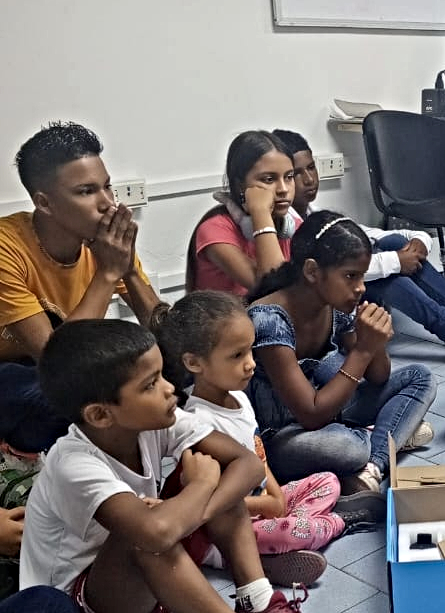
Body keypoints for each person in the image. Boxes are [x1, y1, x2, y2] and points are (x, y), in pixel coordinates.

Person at [19, 319, 364, 613]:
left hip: (156, 583)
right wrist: (197, 491)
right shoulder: (72, 462)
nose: (170, 388)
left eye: (162, 375)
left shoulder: (153, 420)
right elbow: (156, 533)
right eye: (149, 385)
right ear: (100, 414)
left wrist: (192, 505)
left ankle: (258, 602)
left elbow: (248, 465)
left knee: (212, 478)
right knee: (154, 530)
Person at [151, 290, 388, 586]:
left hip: (264, 503)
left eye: (250, 351)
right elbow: (208, 504)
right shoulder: (197, 424)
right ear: (194, 363)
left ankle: (292, 537)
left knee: (328, 480)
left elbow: (257, 456)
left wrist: (275, 498)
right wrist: (270, 505)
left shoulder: (239, 397)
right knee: (290, 531)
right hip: (228, 525)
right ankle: (337, 523)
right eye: (237, 355)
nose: (250, 363)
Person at [245, 210, 437, 491]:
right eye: (350, 276)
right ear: (312, 271)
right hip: (282, 437)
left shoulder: (334, 305)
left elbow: (378, 377)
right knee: (349, 448)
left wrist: (374, 343)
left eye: (361, 276)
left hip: (330, 411)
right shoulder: (269, 320)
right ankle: (385, 437)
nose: (360, 288)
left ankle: (372, 467)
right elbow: (311, 414)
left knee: (420, 377)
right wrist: (361, 352)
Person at [0, 121, 160, 455]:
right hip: (21, 372)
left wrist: (127, 270)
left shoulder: (103, 242)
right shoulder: (7, 247)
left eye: (107, 187)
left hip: (67, 364)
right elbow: (56, 362)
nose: (107, 204)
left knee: (180, 363)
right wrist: (107, 274)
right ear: (44, 203)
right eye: (86, 192)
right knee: (50, 401)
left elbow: (166, 332)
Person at [272, 129, 445, 364]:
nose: (309, 179)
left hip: (338, 296)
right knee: (383, 275)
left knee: (393, 243)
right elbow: (333, 272)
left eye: (311, 168)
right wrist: (396, 262)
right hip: (322, 307)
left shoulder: (313, 215)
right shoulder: (286, 226)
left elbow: (371, 236)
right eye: (296, 174)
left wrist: (419, 239)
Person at [186, 131, 300, 295]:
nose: (283, 189)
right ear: (240, 185)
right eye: (269, 179)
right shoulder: (214, 230)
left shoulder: (292, 225)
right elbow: (273, 290)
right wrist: (260, 212)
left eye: (289, 177)